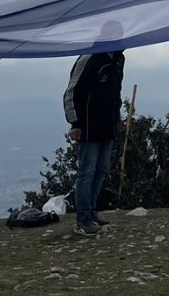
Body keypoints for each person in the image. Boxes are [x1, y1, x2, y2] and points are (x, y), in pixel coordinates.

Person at [64, 47, 125, 236]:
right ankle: (83, 220)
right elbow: (71, 92)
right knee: (87, 172)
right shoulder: (89, 57)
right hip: (89, 126)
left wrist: (116, 118)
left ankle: (91, 213)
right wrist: (75, 123)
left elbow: (115, 91)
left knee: (100, 171)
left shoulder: (118, 58)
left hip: (108, 126)